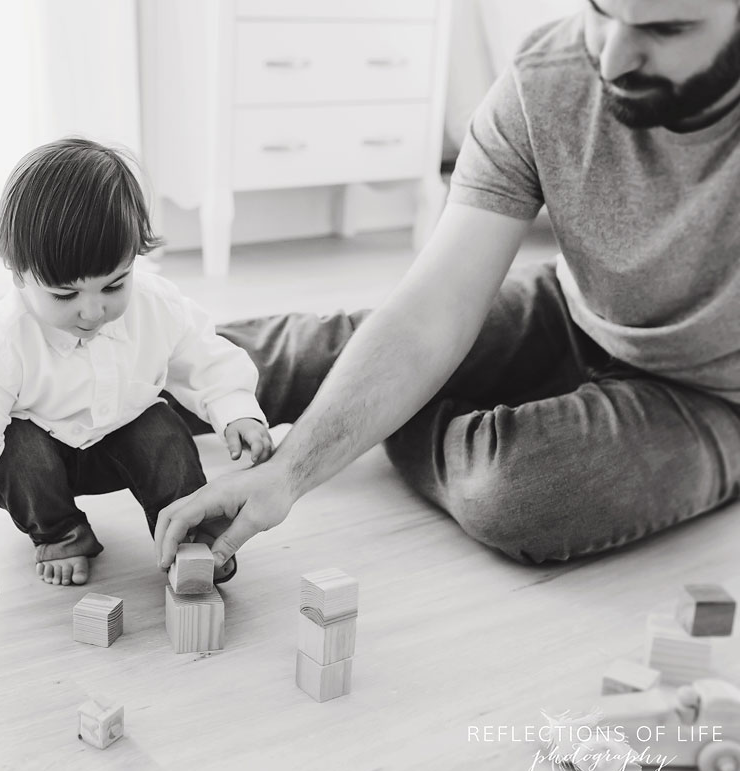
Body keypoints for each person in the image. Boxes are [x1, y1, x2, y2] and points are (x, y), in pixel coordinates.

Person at [154, 0, 740, 571]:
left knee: (518, 492)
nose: (611, 59)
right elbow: (427, 315)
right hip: (578, 308)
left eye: (666, 29)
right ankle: (95, 386)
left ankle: (390, 414)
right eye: (601, 12)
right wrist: (288, 473)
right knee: (316, 352)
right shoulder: (548, 76)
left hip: (714, 396)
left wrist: (339, 429)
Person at [0, 138, 272, 618]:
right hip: (47, 458)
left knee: (164, 430)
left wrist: (234, 409)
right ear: (17, 273)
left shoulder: (156, 305)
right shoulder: (2, 339)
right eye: (65, 294)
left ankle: (187, 532)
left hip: (124, 439)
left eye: (114, 285)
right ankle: (62, 534)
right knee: (14, 452)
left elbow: (204, 356)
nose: (93, 310)